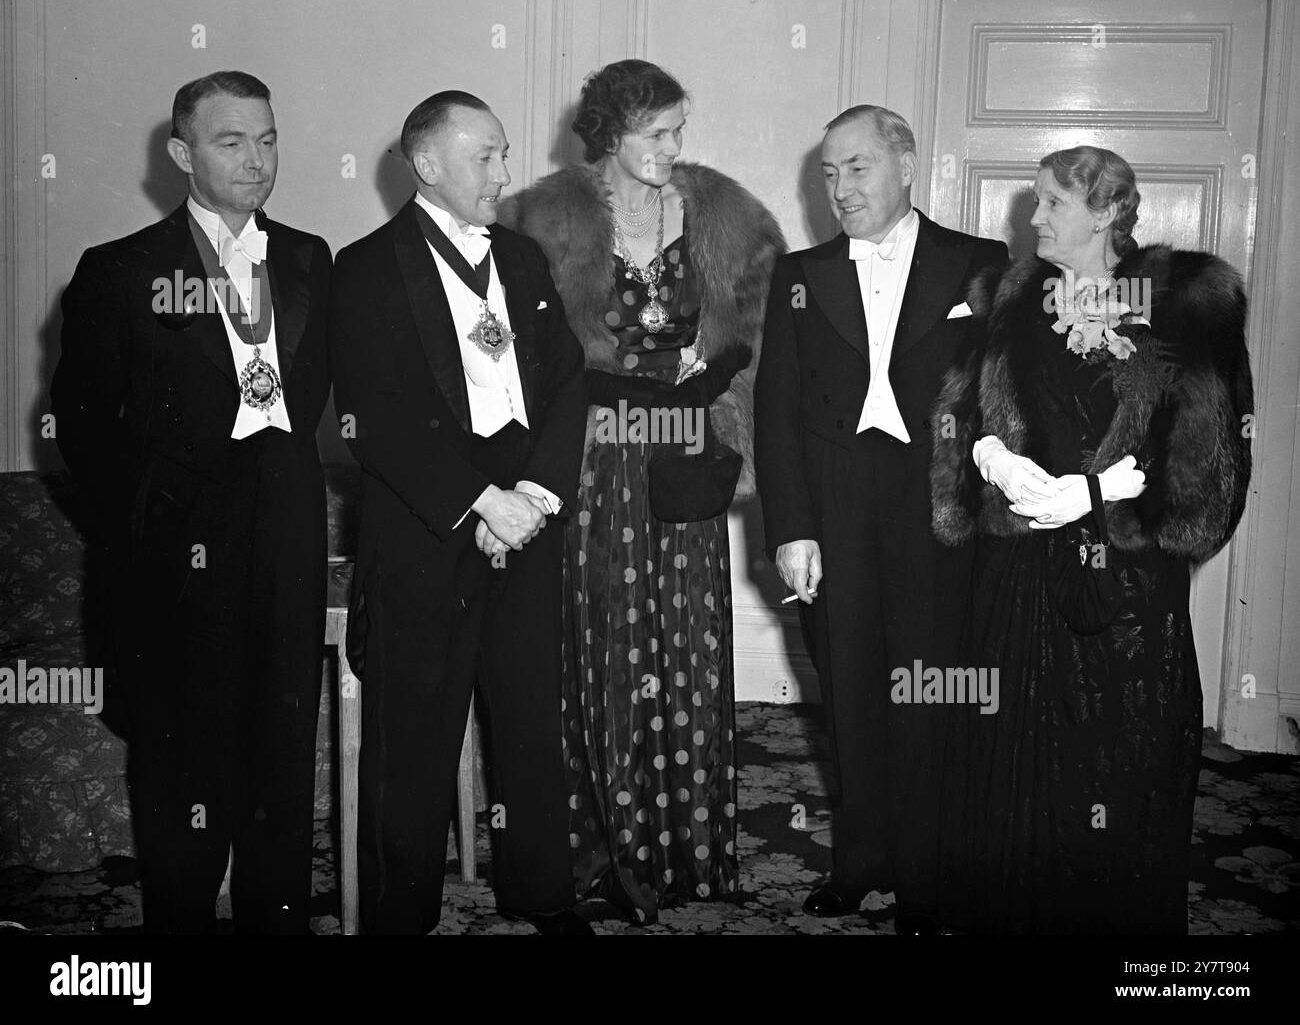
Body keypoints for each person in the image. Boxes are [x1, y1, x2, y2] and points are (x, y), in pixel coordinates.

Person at [929, 145, 1253, 934]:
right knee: (1008, 753)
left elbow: (1209, 460)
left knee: (1117, 757)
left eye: (1051, 204)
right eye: (1035, 202)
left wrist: (1099, 493)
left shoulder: (1182, 305)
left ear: (1107, 212)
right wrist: (990, 457)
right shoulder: (1008, 297)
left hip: (1128, 589)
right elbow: (963, 413)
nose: (1032, 218)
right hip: (1018, 571)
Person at [499, 59, 783, 923]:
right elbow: (519, 353)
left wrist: (715, 371)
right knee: (599, 643)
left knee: (686, 639)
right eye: (656, 132)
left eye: (678, 131)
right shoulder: (543, 219)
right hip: (590, 460)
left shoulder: (722, 212)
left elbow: (762, 329)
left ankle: (686, 853)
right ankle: (600, 857)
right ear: (611, 134)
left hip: (683, 454)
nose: (673, 148)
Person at [50, 71, 332, 934]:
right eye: (230, 141)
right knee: (183, 772)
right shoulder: (120, 271)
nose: (257, 160)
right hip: (175, 562)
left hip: (286, 539)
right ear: (182, 155)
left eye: (269, 139)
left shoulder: (308, 258)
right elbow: (79, 432)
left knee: (283, 759)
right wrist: (145, 533)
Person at [329, 91, 590, 935]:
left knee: (527, 720)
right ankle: (400, 917)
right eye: (486, 156)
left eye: (504, 153)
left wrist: (535, 499)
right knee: (412, 743)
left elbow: (566, 380)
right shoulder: (364, 268)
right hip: (425, 533)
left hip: (528, 524)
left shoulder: (523, 256)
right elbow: (372, 416)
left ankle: (544, 894)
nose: (504, 173)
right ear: (427, 163)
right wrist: (479, 501)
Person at [754, 105, 1008, 933]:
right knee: (850, 682)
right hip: (833, 502)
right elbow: (776, 410)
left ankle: (929, 879)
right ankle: (860, 863)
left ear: (906, 164)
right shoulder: (799, 273)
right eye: (828, 173)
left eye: (856, 168)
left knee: (930, 689)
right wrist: (791, 527)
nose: (839, 189)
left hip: (936, 501)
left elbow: (1004, 401)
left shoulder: (983, 264)